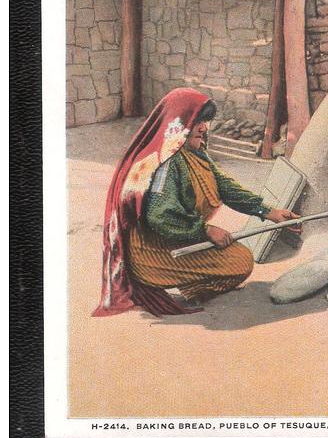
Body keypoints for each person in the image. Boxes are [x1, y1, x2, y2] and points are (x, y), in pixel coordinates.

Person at [93, 87, 299, 318]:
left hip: (179, 239)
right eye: (198, 121)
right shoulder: (166, 162)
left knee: (240, 259)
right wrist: (205, 230)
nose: (203, 128)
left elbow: (226, 187)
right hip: (150, 249)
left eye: (206, 122)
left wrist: (268, 212)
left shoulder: (196, 153)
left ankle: (194, 288)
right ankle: (188, 286)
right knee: (240, 262)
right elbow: (161, 216)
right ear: (180, 124)